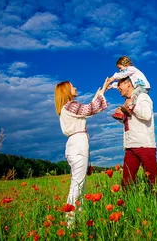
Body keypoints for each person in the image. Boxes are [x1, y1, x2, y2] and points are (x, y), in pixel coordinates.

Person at [54, 78, 111, 221]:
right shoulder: (70, 105)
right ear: (66, 91)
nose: (75, 87)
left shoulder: (66, 109)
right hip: (78, 145)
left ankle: (76, 218)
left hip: (73, 145)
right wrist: (101, 94)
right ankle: (70, 221)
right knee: (77, 185)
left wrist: (102, 91)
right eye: (72, 86)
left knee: (79, 184)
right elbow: (90, 109)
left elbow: (87, 111)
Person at [114, 77, 157, 189]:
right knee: (126, 183)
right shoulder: (126, 101)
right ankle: (128, 205)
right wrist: (121, 115)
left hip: (144, 145)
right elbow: (131, 122)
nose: (118, 88)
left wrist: (131, 106)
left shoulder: (143, 97)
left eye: (119, 85)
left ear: (128, 84)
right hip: (130, 145)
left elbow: (146, 115)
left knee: (152, 181)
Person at [108, 56, 151, 120]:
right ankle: (125, 112)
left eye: (120, 68)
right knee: (132, 97)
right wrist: (112, 86)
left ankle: (129, 109)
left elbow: (122, 74)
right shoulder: (130, 74)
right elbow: (123, 83)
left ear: (125, 64)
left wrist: (113, 77)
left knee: (133, 96)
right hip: (140, 87)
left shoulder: (131, 69)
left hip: (143, 87)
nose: (120, 70)